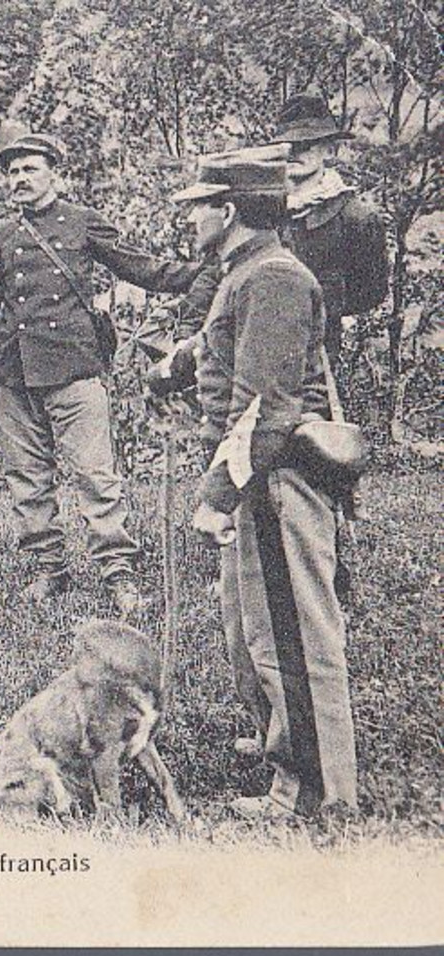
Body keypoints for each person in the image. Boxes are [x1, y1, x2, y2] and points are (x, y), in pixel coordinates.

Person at [166, 149, 359, 822]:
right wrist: (179, 361)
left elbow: (264, 407)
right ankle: (285, 752)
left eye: (195, 206)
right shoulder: (246, 273)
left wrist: (215, 496)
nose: (187, 217)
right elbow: (234, 352)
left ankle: (310, 793)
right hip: (260, 476)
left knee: (292, 641)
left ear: (227, 212)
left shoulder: (270, 277)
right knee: (255, 634)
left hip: (278, 482)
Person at [0, 131, 203, 617]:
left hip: (74, 367)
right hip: (12, 373)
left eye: (29, 169)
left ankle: (118, 571)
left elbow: (141, 268)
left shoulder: (81, 223)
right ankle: (47, 567)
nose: (20, 180)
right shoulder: (0, 236)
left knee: (96, 475)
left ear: (54, 171)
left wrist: (203, 273)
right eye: (12, 172)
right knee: (27, 479)